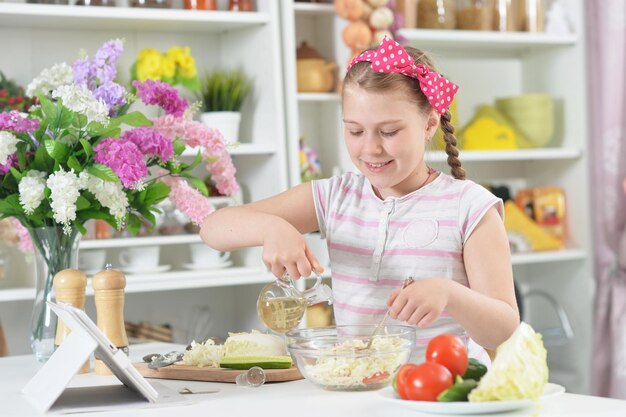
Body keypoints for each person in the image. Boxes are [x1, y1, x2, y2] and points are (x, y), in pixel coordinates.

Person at [201, 37, 519, 361]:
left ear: (429, 124)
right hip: (360, 391)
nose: (370, 148)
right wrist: (270, 228)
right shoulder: (337, 197)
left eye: (389, 132)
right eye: (355, 131)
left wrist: (451, 295)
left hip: (441, 397)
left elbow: (504, 329)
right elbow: (213, 229)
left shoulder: (469, 207)